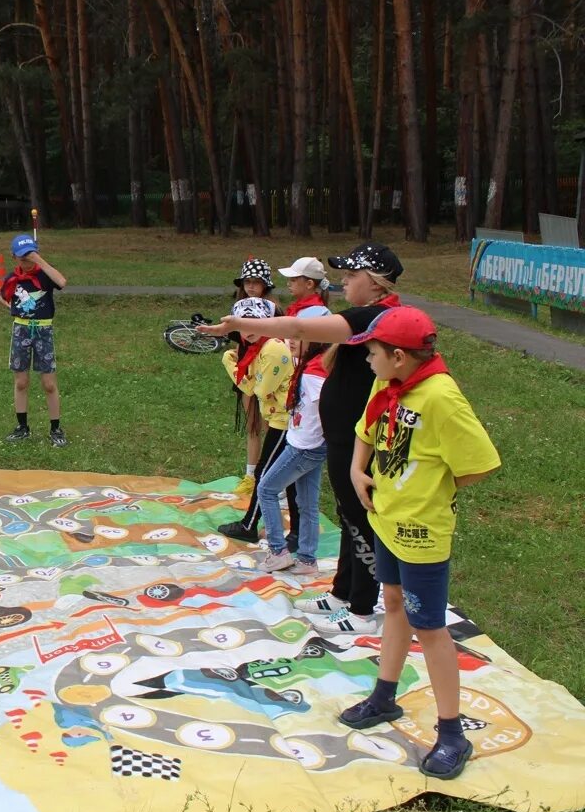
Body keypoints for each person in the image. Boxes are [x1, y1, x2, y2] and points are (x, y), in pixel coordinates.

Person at [199, 242, 406, 635]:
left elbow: (296, 327)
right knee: (349, 516)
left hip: (353, 435)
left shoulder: (372, 316)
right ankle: (343, 593)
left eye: (351, 276)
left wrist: (240, 325)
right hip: (347, 435)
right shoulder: (370, 314)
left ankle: (361, 609)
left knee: (360, 519)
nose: (344, 282)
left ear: (375, 283)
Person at [339, 306, 500, 781]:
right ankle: (384, 697)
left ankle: (453, 733)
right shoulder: (389, 383)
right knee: (392, 604)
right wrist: (355, 468)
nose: (367, 360)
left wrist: (433, 490)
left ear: (398, 355)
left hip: (422, 531)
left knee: (430, 627)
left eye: (371, 352)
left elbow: (480, 462)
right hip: (386, 518)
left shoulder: (441, 398)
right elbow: (366, 429)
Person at [216, 297, 300, 548]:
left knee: (267, 475)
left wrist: (231, 365)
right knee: (290, 479)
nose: (248, 331)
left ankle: (250, 526)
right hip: (284, 418)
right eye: (243, 325)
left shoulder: (273, 349)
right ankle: (296, 533)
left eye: (255, 323)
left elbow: (258, 390)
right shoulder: (261, 348)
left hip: (286, 421)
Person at [256, 306, 332, 575]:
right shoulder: (314, 364)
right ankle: (308, 559)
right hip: (311, 444)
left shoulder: (314, 373)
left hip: (304, 446)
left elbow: (327, 408)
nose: (290, 340)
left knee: (265, 489)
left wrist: (312, 439)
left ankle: (278, 551)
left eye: (298, 335)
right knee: (307, 503)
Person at [0, 233, 68, 446]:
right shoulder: (13, 277)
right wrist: (14, 308)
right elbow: (1, 294)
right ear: (14, 257)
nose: (27, 261)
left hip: (43, 332)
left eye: (30, 256)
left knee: (48, 383)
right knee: (21, 382)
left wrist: (39, 260)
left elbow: (62, 282)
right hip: (21, 331)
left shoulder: (45, 274)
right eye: (23, 258)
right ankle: (22, 427)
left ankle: (56, 428)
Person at [231, 259, 277, 496]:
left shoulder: (273, 311)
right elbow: (236, 341)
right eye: (247, 282)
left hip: (268, 375)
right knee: (252, 425)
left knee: (272, 426)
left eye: (256, 282)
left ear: (265, 285)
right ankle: (250, 475)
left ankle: (269, 475)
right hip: (245, 372)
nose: (251, 286)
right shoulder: (238, 307)